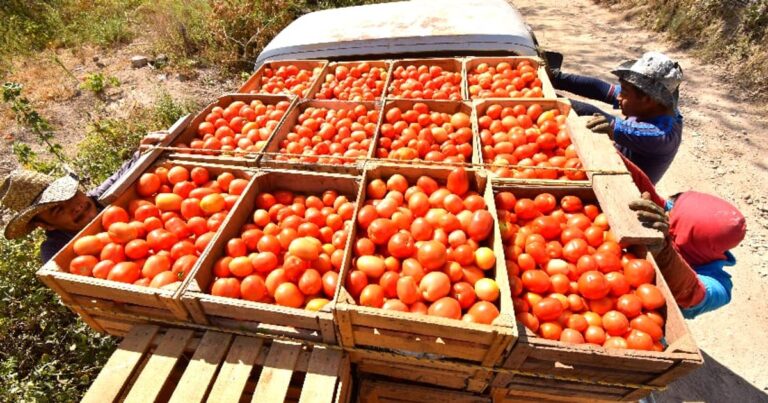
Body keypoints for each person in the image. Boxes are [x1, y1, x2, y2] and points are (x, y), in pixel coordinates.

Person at [0, 131, 169, 262]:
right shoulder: (55, 251)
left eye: (72, 193)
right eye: (58, 209)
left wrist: (142, 152)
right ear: (45, 225)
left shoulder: (98, 197)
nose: (75, 206)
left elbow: (123, 173)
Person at [624, 156, 746, 318]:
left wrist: (664, 250)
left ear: (684, 234)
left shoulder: (719, 287)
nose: (666, 213)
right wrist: (612, 154)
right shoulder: (678, 217)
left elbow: (692, 292)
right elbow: (646, 190)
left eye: (670, 217)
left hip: (638, 315)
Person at [550, 51, 684, 184]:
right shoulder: (653, 105)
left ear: (647, 99)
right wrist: (557, 78)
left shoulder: (661, 136)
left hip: (623, 187)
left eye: (624, 91)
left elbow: (600, 119)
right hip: (610, 165)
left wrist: (555, 103)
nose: (619, 96)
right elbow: (599, 89)